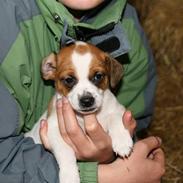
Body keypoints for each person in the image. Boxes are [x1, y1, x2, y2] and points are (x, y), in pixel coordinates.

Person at [0, 0, 165, 182]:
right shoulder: (9, 19)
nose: (86, 95)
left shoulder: (129, 26)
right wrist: (73, 169)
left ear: (110, 72)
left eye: (97, 77)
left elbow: (119, 117)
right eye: (70, 80)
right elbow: (53, 134)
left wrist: (117, 137)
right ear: (50, 71)